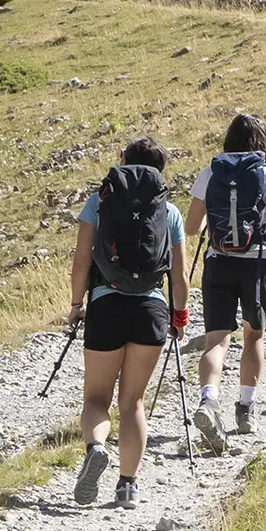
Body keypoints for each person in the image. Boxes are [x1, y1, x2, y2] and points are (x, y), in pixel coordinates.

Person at [66, 137, 189, 510]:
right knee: (133, 401)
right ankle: (128, 486)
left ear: (123, 164)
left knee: (96, 398)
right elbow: (179, 276)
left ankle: (97, 447)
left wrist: (76, 304)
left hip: (105, 306)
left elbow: (81, 263)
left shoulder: (99, 201)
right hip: (150, 310)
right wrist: (179, 315)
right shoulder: (169, 212)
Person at [183, 113, 266, 453]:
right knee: (253, 336)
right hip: (256, 265)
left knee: (216, 341)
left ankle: (209, 400)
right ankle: (245, 408)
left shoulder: (211, 173)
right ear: (264, 142)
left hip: (217, 262)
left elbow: (191, 227)